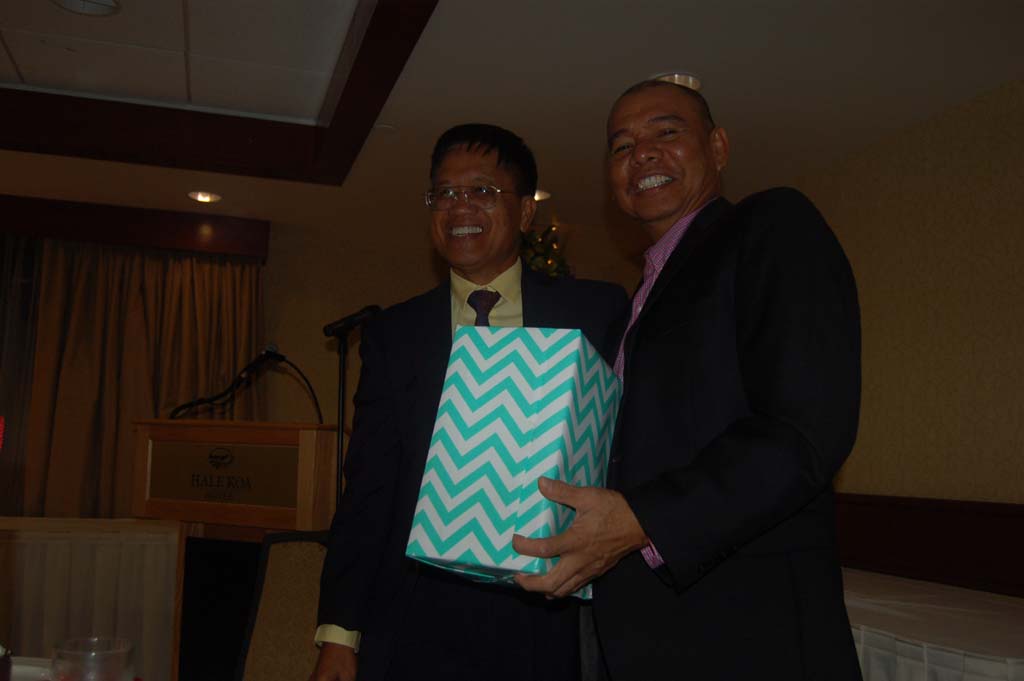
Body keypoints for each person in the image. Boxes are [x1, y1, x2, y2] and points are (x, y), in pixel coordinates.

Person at [514, 81, 863, 679]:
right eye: (621, 146)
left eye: (667, 132)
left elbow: (806, 428)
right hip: (639, 635)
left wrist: (642, 519)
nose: (642, 153)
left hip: (751, 637)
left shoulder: (771, 224)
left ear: (719, 147)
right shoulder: (634, 305)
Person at [311, 123, 628, 681]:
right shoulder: (395, 335)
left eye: (482, 190)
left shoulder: (596, 312)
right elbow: (368, 490)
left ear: (525, 212)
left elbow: (629, 450)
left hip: (549, 613)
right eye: (445, 193)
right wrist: (339, 634)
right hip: (416, 616)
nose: (459, 206)